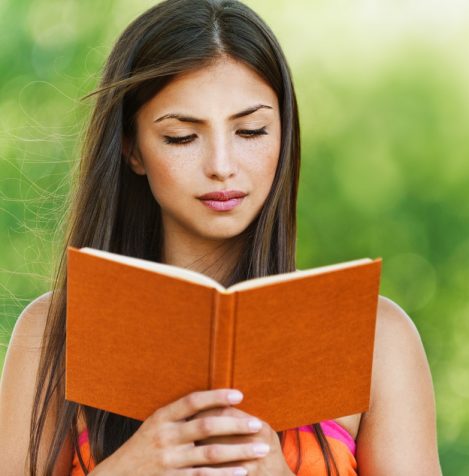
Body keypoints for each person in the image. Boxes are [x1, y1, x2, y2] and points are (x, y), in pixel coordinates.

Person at [0, 0, 441, 474]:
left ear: (284, 134)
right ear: (132, 149)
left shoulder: (376, 337)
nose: (222, 165)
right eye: (182, 138)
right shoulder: (54, 332)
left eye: (251, 131)